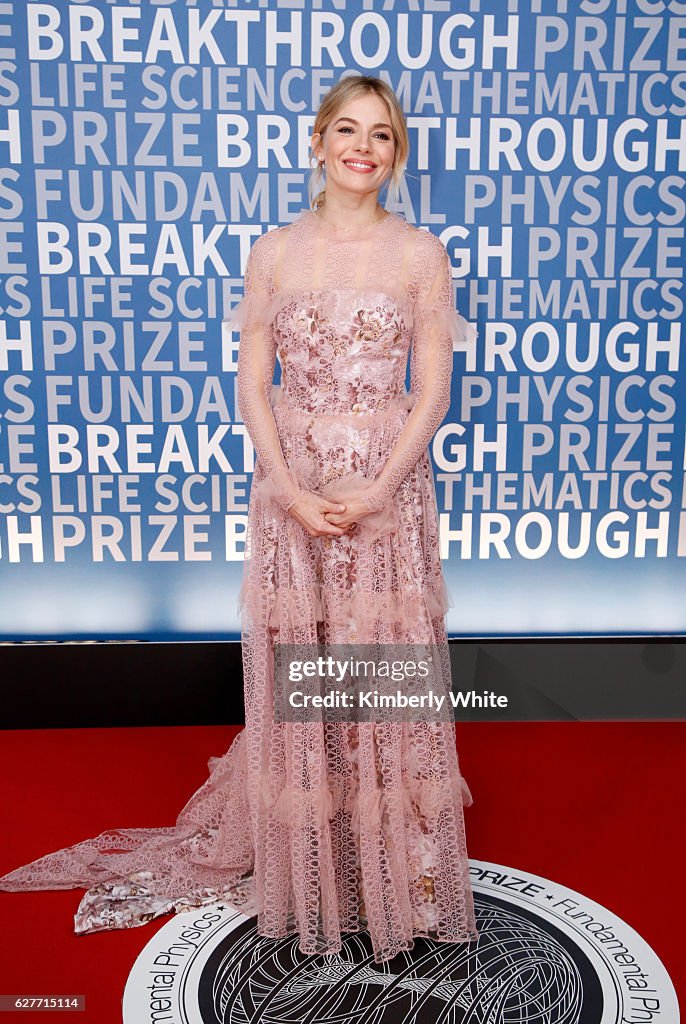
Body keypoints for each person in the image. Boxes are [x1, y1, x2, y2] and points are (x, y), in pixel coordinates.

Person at [0, 75, 479, 964]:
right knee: (307, 678)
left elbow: (434, 392)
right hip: (290, 496)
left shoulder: (421, 253)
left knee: (381, 676)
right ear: (317, 141)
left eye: (381, 134)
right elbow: (252, 382)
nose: (362, 148)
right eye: (347, 129)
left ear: (398, 154)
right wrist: (292, 488)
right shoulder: (273, 252)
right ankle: (322, 875)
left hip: (387, 497)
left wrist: (375, 491)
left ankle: (392, 875)